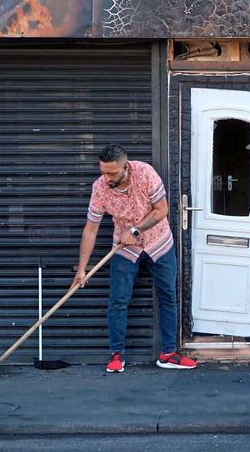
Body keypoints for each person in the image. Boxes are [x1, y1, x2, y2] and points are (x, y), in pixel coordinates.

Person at [74, 144, 196, 372]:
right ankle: (116, 355)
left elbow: (161, 210)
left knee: (168, 295)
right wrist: (82, 270)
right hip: (124, 247)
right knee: (118, 300)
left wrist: (136, 230)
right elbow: (90, 230)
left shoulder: (145, 173)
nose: (106, 178)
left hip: (159, 243)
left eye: (111, 173)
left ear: (126, 167)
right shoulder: (100, 188)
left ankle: (168, 353)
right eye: (103, 172)